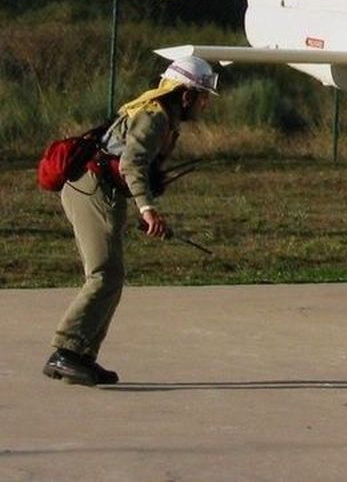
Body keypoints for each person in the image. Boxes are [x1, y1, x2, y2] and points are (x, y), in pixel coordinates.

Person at [44, 54, 219, 386]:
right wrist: (146, 208)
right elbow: (131, 164)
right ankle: (63, 351)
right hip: (90, 189)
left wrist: (144, 205)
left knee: (112, 275)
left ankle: (81, 356)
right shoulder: (154, 118)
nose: (204, 103)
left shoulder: (162, 116)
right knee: (103, 273)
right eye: (202, 95)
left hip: (101, 190)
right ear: (185, 94)